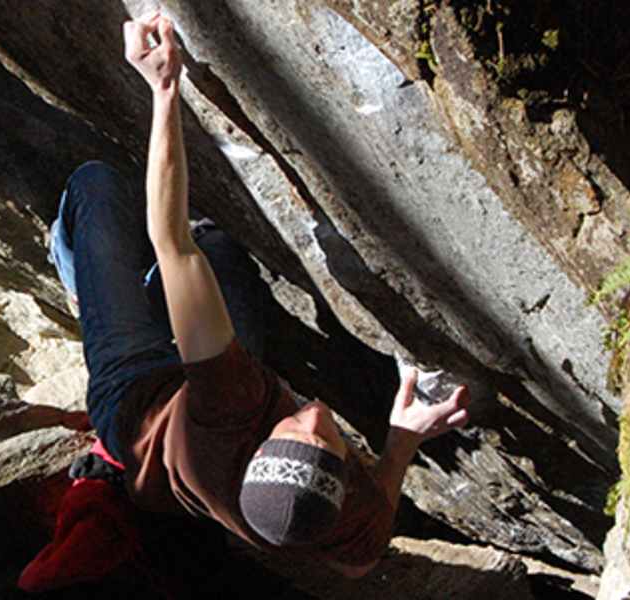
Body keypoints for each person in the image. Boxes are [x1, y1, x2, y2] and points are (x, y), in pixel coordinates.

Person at [46, 11, 471, 578]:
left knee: (96, 186)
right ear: (341, 490)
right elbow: (358, 565)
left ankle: (84, 290)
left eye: (297, 429)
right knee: (222, 248)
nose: (318, 415)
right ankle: (150, 301)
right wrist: (399, 444)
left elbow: (171, 243)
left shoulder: (231, 405)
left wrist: (164, 86)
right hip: (192, 424)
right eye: (331, 445)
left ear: (260, 447)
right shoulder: (332, 511)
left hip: (132, 400)